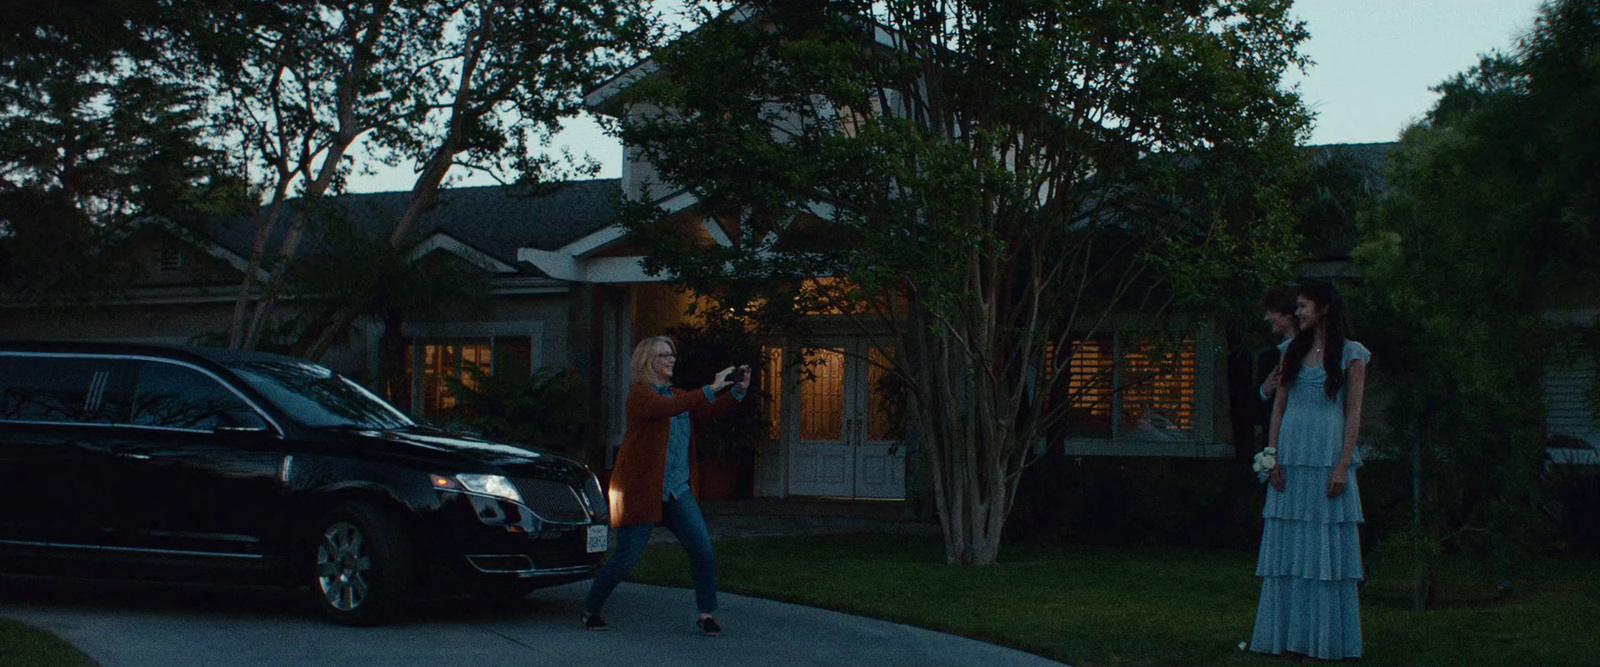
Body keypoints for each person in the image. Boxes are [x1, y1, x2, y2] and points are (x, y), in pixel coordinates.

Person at [582, 335, 750, 636]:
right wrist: (712, 386)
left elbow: (705, 409)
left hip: (677, 490)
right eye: (664, 355)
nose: (672, 359)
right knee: (625, 560)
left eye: (673, 354)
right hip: (641, 490)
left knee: (702, 549)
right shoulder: (641, 397)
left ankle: (706, 614)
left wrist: (737, 391)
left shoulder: (678, 395)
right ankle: (590, 608)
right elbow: (673, 406)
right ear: (648, 361)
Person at [1251, 282, 1370, 661]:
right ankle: (1287, 636)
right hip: (1292, 452)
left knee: (1323, 548)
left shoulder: (1351, 354)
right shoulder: (1292, 351)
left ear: (1324, 309)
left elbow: (1353, 412)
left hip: (1327, 452)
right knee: (1290, 545)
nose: (1296, 312)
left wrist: (1343, 464)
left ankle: (1322, 640)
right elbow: (1279, 407)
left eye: (1303, 307)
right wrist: (1273, 456)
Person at [1257, 284, 1300, 405]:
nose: (1267, 318)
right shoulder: (1268, 359)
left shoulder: (1317, 352)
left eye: (1271, 312)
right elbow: (1253, 411)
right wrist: (1264, 391)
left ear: (1288, 314)